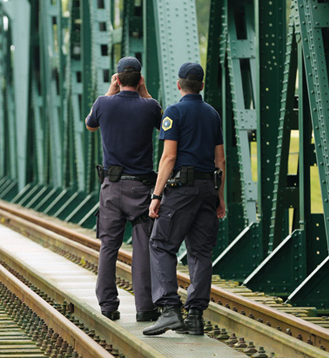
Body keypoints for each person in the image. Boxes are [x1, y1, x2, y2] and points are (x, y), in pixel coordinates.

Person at [143, 62, 226, 336]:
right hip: (207, 190)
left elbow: (168, 157)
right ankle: (195, 317)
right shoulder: (213, 114)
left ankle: (169, 310)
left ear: (179, 85)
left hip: (181, 190)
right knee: (201, 252)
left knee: (161, 245)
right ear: (201, 85)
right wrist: (220, 198)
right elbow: (220, 160)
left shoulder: (174, 112)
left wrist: (156, 195)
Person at [85, 56, 163, 322]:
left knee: (108, 246)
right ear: (140, 79)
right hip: (141, 189)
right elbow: (163, 123)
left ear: (117, 79)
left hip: (112, 188)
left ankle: (108, 305)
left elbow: (90, 123)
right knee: (143, 249)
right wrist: (145, 92)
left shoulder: (103, 103)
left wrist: (110, 91)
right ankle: (145, 308)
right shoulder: (150, 106)